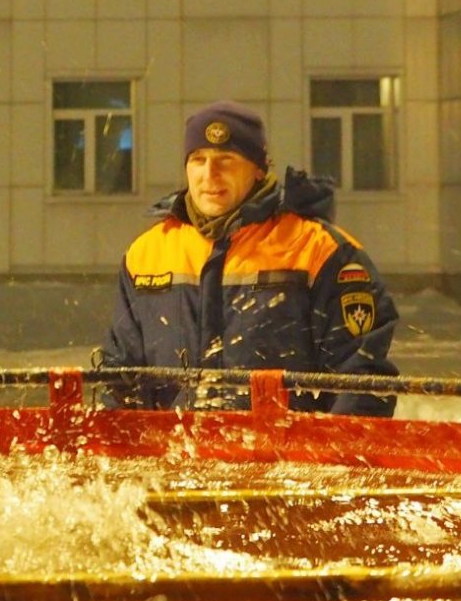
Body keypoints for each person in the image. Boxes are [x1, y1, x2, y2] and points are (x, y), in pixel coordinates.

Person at [101, 100, 399, 416]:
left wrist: (327, 447)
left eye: (226, 160)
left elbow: (360, 377)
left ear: (259, 169)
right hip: (175, 447)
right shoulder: (147, 254)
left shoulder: (318, 250)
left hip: (286, 447)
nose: (209, 175)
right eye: (198, 160)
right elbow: (122, 379)